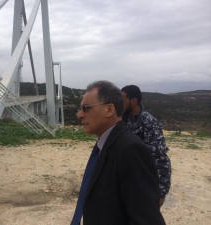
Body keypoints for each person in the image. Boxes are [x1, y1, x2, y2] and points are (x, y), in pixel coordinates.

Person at [71, 80, 165, 225]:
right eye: (80, 109)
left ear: (109, 110)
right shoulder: (106, 143)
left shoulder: (131, 149)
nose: (79, 115)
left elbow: (147, 219)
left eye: (86, 108)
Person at [121, 85, 171, 206]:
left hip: (144, 183)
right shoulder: (122, 119)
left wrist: (162, 191)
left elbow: (160, 157)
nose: (120, 102)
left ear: (134, 101)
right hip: (126, 181)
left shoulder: (148, 121)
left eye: (123, 99)